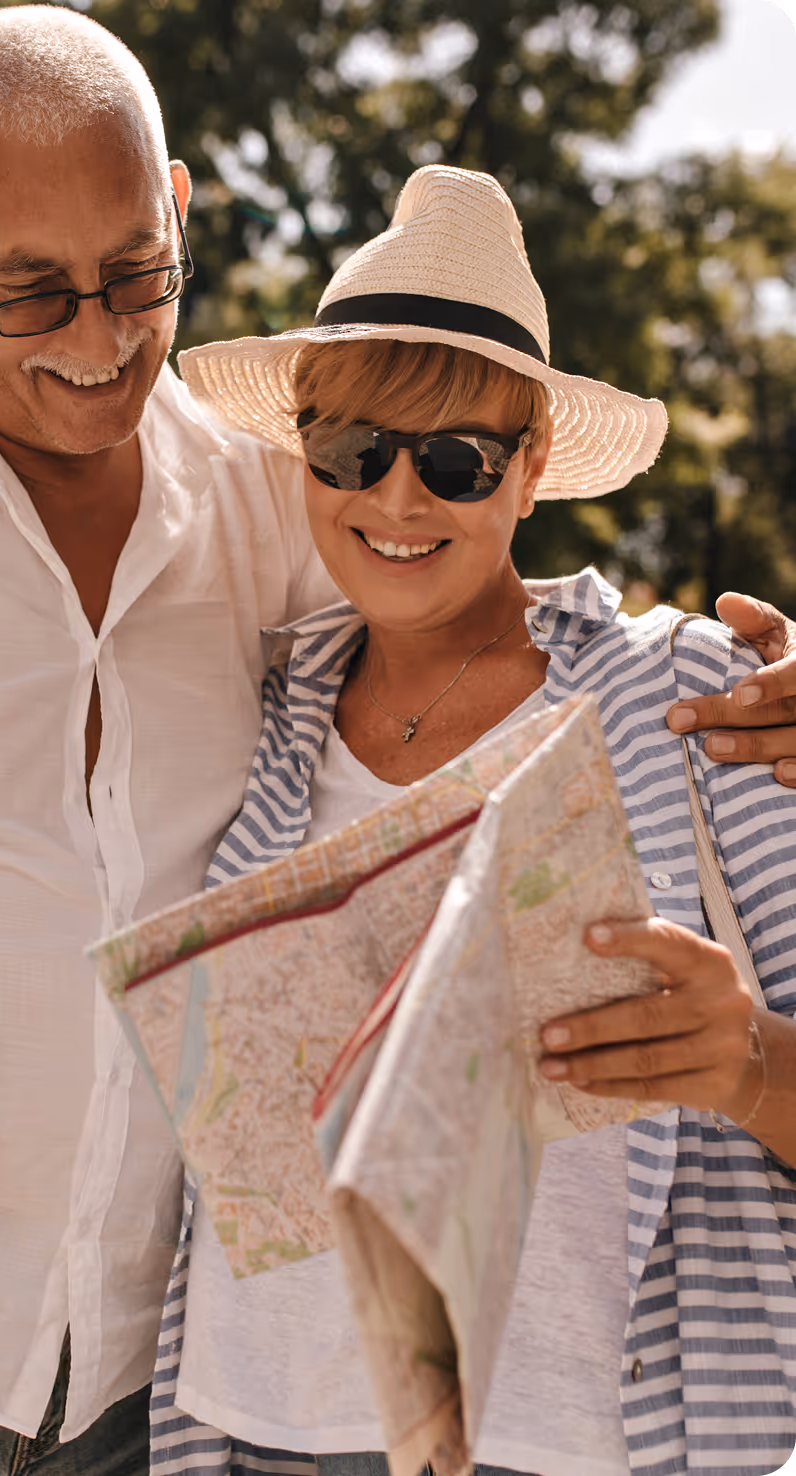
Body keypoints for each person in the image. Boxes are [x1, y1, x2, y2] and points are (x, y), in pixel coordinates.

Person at [0, 11, 792, 1473]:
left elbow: (457, 588)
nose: (100, 340)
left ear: (177, 209)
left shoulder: (263, 497)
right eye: (31, 295)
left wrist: (748, 672)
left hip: (140, 1387)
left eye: (136, 275)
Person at [148, 164, 796, 1476]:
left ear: (531, 466)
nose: (397, 501)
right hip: (254, 1426)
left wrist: (746, 1066)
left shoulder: (699, 699)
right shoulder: (264, 698)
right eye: (353, 450)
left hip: (580, 1443)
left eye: (456, 460)